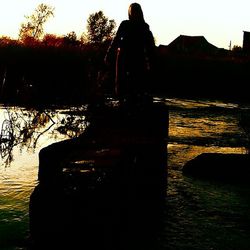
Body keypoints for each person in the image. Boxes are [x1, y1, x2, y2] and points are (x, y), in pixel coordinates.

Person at [105, 2, 156, 104]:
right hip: (123, 58)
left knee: (137, 84)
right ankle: (122, 103)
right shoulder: (125, 25)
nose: (134, 13)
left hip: (138, 58)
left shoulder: (144, 27)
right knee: (121, 84)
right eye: (132, 11)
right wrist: (109, 53)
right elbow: (116, 40)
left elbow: (150, 46)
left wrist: (151, 62)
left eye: (136, 11)